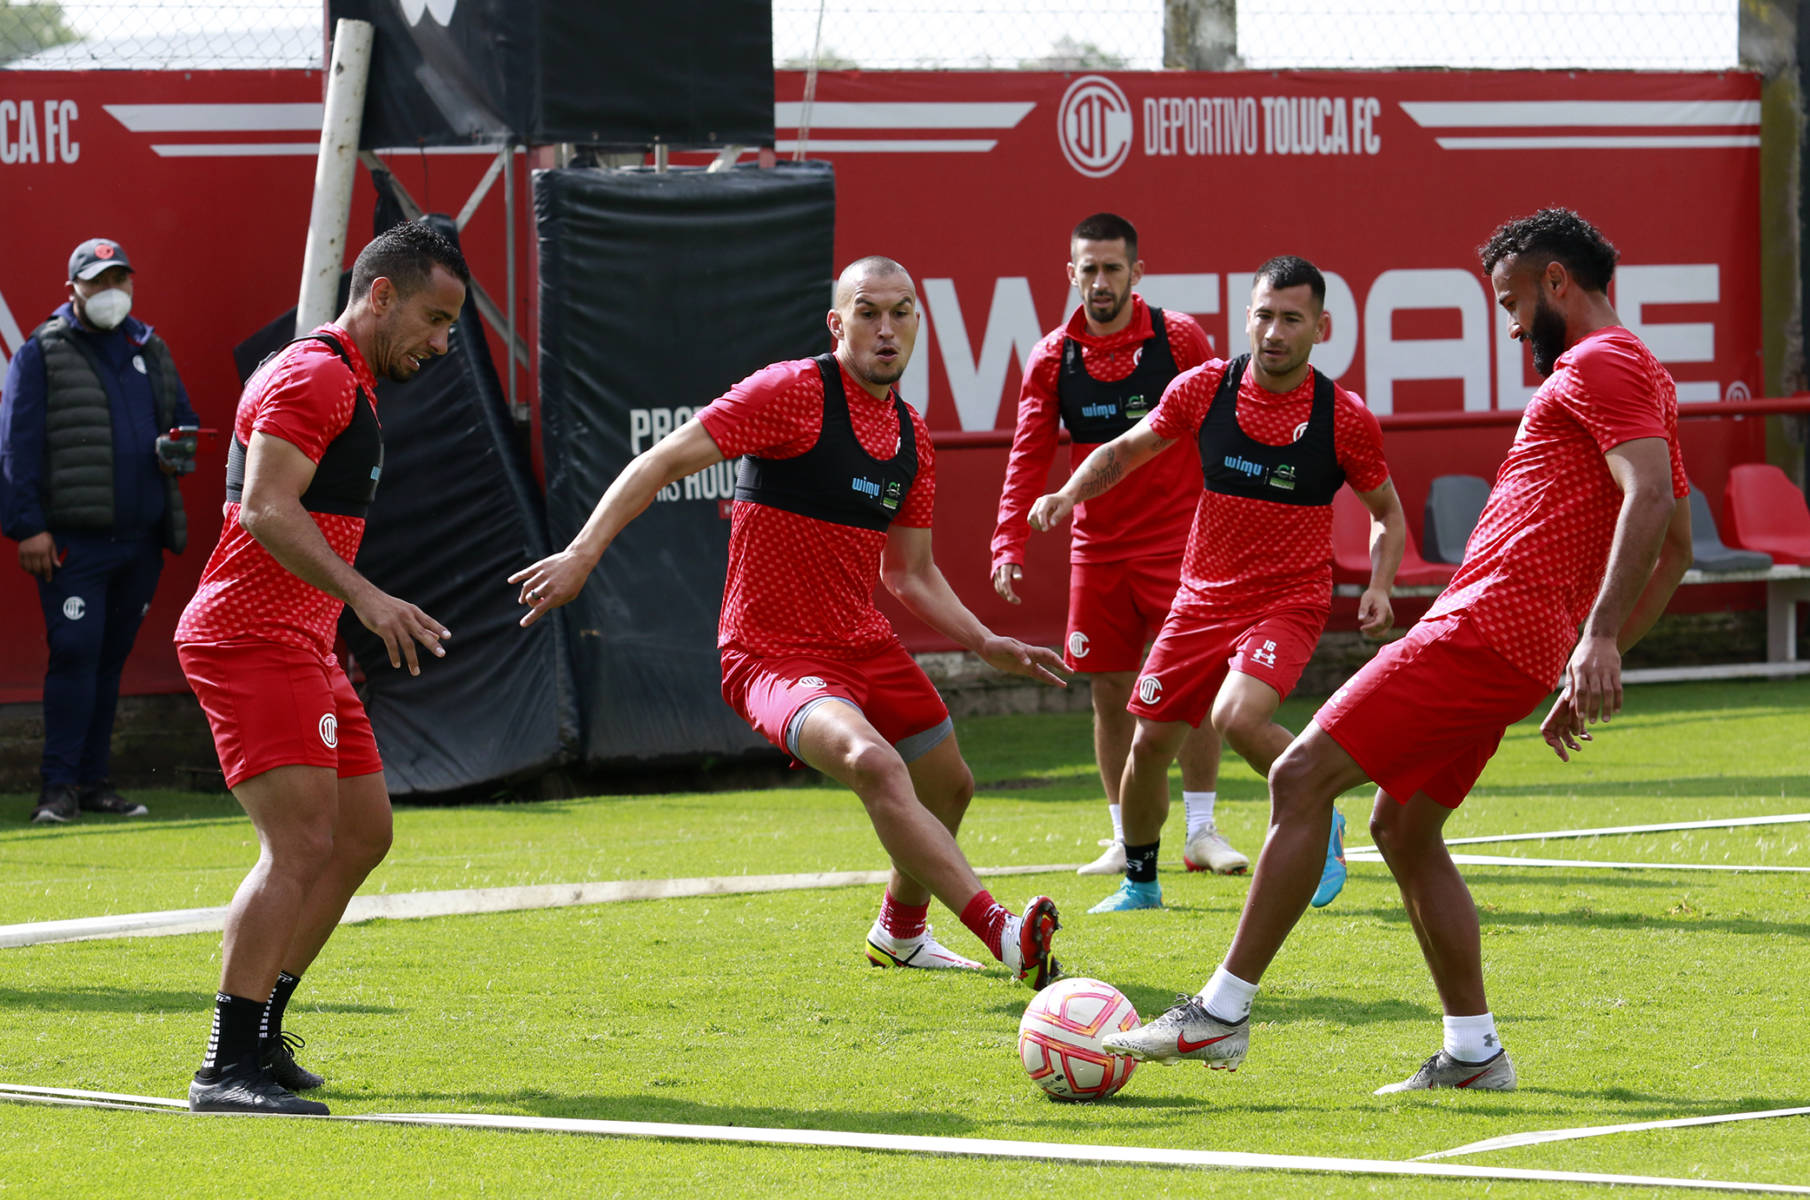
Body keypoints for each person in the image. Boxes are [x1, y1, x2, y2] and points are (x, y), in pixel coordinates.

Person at [1103, 209, 1692, 1093]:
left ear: (1558, 284)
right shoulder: (1647, 372)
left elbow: (1649, 500)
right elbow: (1675, 546)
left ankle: (1219, 1015)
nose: (1510, 322)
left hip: (1486, 627)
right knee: (1402, 826)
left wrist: (1600, 637)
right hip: (1520, 644)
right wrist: (1582, 652)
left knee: (1299, 778)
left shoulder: (1600, 363)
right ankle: (1473, 1052)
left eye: (1514, 301)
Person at [512, 255, 1066, 990]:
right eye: (868, 311)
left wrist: (984, 640)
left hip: (862, 643)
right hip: (770, 655)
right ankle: (1002, 932)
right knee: (875, 764)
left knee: (950, 784)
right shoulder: (790, 392)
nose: (887, 328)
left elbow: (909, 573)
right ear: (837, 323)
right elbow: (661, 461)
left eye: (902, 312)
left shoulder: (911, 438)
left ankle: (900, 934)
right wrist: (583, 554)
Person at [174, 221, 470, 1115]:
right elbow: (266, 509)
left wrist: (341, 615)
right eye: (434, 317)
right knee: (298, 844)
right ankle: (226, 1067)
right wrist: (371, 601)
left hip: (301, 640)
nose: (443, 342)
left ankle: (262, 1032)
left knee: (362, 834)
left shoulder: (349, 379)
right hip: (248, 637)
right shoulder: (314, 374)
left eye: (452, 325)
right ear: (380, 294)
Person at [1029, 255, 1405, 915]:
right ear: (1248, 317)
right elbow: (1123, 449)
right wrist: (1066, 493)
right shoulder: (1205, 388)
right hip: (1201, 599)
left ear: (1322, 327)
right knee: (1147, 745)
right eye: (1264, 315)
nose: (1274, 332)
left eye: (1292, 319)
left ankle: (1323, 813)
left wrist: (1380, 582)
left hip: (1287, 601)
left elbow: (1388, 514)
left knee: (1236, 717)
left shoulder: (1343, 418)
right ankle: (1141, 884)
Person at [990, 213, 1233, 878]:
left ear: (1136, 273)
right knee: (1108, 693)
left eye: (1112, 268)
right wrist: (1008, 541)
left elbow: (1222, 424)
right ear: (1071, 274)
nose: (1100, 282)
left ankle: (1202, 830)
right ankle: (1127, 838)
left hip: (1180, 543)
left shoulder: (1179, 337)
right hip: (1095, 552)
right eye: (1088, 269)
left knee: (1192, 683)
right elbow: (1029, 454)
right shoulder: (1050, 357)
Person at [1, 237, 201, 824]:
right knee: (75, 655)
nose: (110, 292)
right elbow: (16, 449)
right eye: (98, 281)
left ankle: (94, 783)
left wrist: (177, 448)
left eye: (119, 280)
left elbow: (184, 422)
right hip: (72, 543)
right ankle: (56, 788)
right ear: (74, 290)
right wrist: (28, 528)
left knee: (109, 661)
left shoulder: (149, 346)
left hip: (140, 540)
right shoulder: (42, 351)